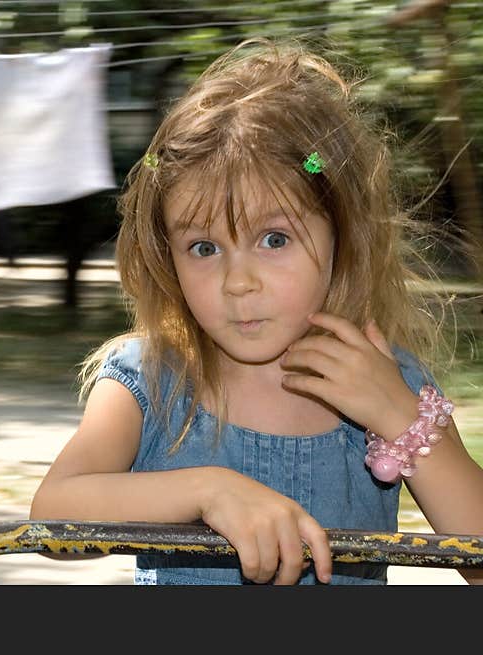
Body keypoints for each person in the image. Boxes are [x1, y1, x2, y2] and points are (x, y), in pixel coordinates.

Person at [29, 38, 483, 585]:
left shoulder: (388, 379)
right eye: (204, 248)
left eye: (274, 239)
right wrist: (207, 490)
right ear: (166, 257)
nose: (238, 282)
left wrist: (401, 421)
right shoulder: (148, 380)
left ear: (342, 235)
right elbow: (51, 520)